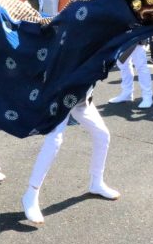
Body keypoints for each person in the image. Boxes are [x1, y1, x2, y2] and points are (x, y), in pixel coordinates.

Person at [22, 88, 119, 225]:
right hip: (61, 95)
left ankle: (96, 182)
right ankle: (31, 194)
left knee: (102, 134)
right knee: (54, 141)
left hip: (81, 97)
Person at [108, 41, 153, 108]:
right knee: (122, 63)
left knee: (141, 66)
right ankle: (127, 93)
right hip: (124, 37)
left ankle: (147, 96)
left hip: (137, 36)